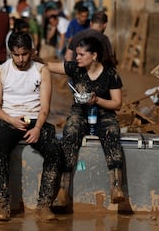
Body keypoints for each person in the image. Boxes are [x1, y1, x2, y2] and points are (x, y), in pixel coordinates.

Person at [0, 32, 61, 222]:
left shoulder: (41, 70)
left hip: (35, 120)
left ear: (32, 51)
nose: (20, 59)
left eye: (24, 54)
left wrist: (37, 128)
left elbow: (45, 106)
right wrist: (11, 120)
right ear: (10, 53)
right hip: (9, 119)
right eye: (16, 55)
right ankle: (3, 206)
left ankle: (45, 205)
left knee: (54, 152)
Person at [47, 36, 125, 210]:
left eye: (82, 54)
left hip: (104, 113)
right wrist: (33, 57)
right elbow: (49, 66)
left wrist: (97, 100)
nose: (77, 58)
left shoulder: (110, 73)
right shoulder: (75, 69)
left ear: (94, 55)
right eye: (77, 54)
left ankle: (116, 186)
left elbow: (117, 104)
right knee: (71, 130)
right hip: (80, 112)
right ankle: (63, 190)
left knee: (112, 131)